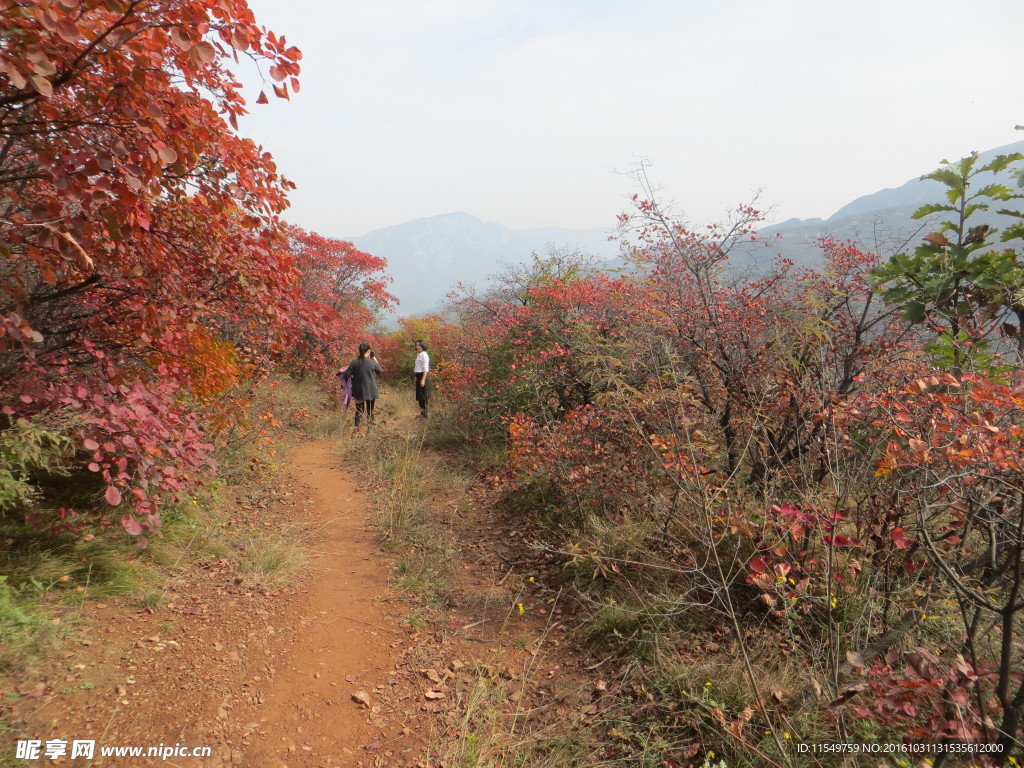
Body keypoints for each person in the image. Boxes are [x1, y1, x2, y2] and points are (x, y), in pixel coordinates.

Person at [340, 342, 382, 430]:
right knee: (370, 410)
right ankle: (370, 429)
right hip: (371, 391)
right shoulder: (371, 362)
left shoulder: (354, 363)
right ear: (369, 351)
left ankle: (356, 429)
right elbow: (379, 371)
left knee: (359, 410)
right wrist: (374, 359)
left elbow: (346, 375)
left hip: (358, 391)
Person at [413, 339, 431, 418]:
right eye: (416, 345)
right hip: (418, 375)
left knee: (423, 396)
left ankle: (425, 414)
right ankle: (422, 413)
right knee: (420, 396)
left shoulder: (424, 355)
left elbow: (425, 368)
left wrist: (423, 379)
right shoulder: (419, 355)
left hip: (422, 376)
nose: (416, 347)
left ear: (421, 346)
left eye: (418, 345)